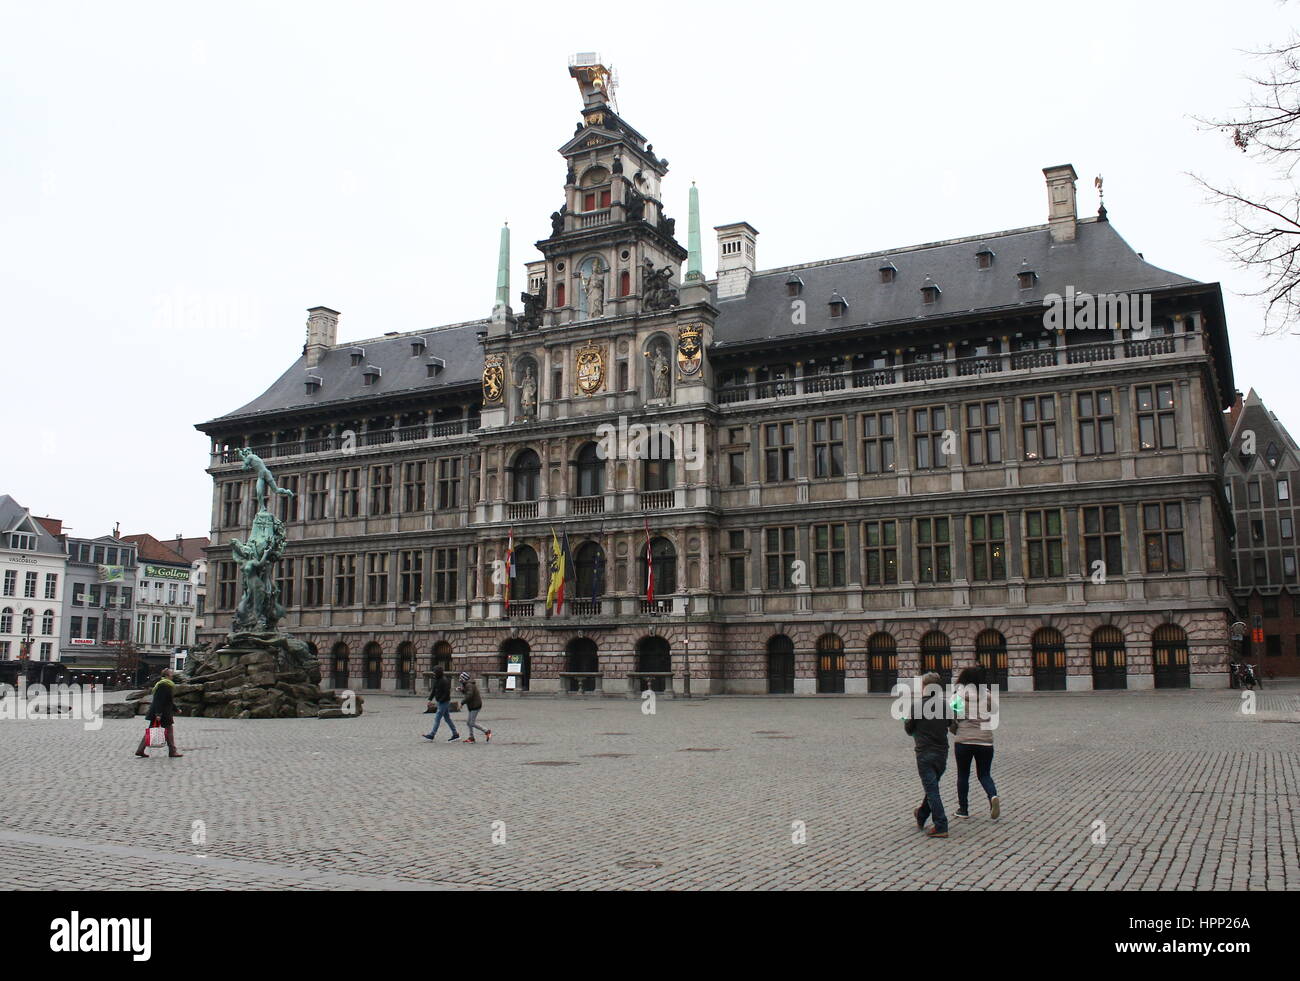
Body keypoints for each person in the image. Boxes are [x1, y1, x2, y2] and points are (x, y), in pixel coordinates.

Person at [904, 671, 957, 838]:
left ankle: (941, 825)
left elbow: (909, 729)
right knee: (932, 786)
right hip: (942, 752)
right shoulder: (944, 705)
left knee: (932, 789)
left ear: (924, 687)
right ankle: (921, 815)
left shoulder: (917, 705)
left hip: (924, 752)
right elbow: (951, 725)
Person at [952, 666, 1000, 820]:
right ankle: (992, 796)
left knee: (963, 775)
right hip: (985, 740)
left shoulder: (957, 696)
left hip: (964, 740)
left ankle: (963, 809)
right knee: (984, 774)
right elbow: (993, 714)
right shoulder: (988, 695)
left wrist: (956, 729)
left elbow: (953, 718)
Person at [134, 668, 183, 758]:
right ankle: (172, 751)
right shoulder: (164, 685)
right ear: (167, 676)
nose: (172, 676)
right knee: (169, 731)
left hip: (160, 712)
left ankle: (140, 750)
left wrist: (176, 709)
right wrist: (158, 714)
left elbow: (168, 700)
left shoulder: (165, 684)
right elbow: (159, 700)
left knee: (152, 730)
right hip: (162, 713)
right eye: (171, 674)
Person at [422, 666, 460, 742]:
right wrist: (430, 699)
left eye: (435, 672)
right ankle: (455, 734)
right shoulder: (437, 680)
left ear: (438, 673)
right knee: (447, 719)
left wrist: (439, 701)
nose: (434, 674)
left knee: (437, 718)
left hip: (444, 702)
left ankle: (432, 735)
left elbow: (446, 693)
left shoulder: (444, 681)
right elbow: (434, 690)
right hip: (441, 702)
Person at [458, 671, 491, 743]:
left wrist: (462, 703)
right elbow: (468, 693)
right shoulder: (468, 684)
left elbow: (469, 695)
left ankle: (486, 731)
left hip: (475, 705)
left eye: (461, 679)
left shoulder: (469, 685)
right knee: (468, 722)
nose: (460, 681)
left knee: (471, 723)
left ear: (464, 679)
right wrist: (462, 690)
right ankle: (471, 737)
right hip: (473, 705)